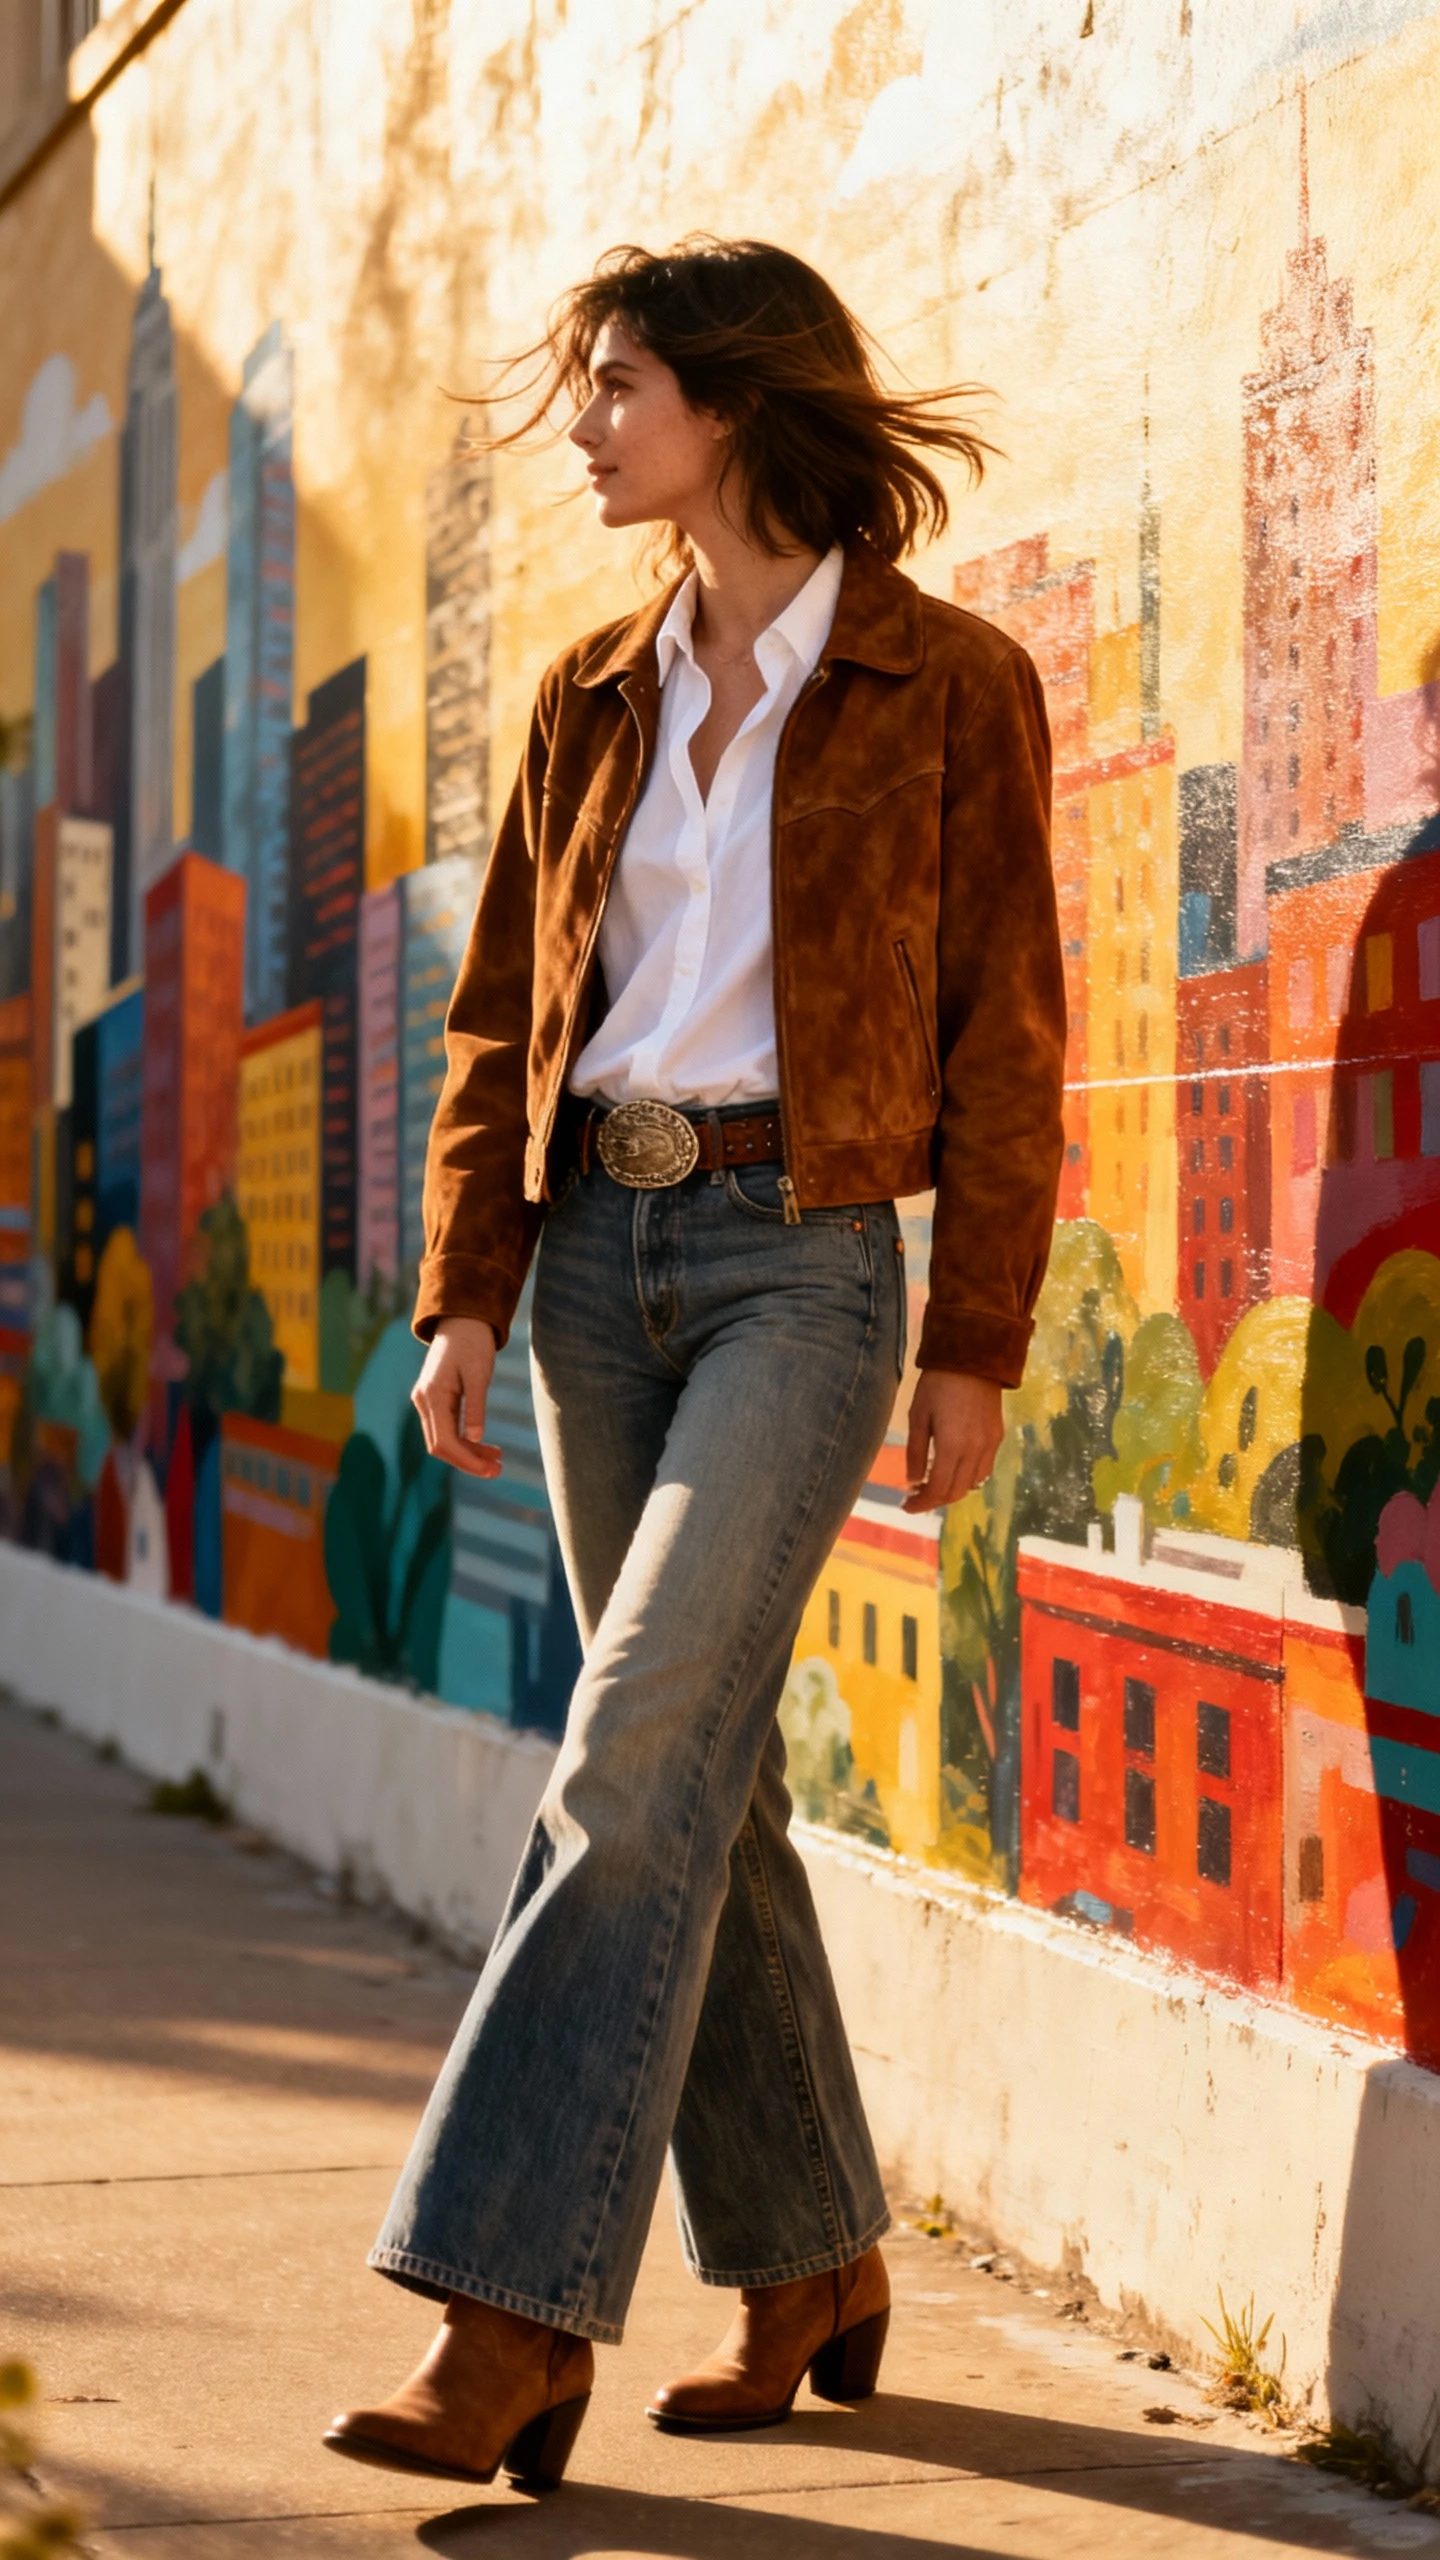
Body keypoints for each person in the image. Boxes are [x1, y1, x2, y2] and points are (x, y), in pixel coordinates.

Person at [325, 236, 1065, 2493]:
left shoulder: (950, 682)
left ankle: (509, 2307)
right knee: (702, 1783)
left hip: (799, 1260)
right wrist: (465, 1288)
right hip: (588, 1272)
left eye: (617, 384)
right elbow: (493, 1024)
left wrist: (979, 1342)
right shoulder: (587, 691)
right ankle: (817, 2249)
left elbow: (1012, 1036)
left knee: (629, 1752)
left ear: (732, 405)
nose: (585, 427)